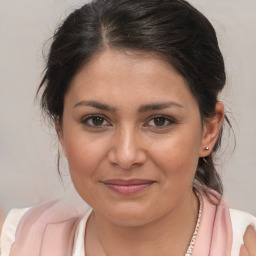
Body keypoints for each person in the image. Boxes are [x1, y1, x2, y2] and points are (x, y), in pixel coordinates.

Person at [1, 0, 256, 255]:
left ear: (208, 130)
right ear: (61, 131)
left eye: (159, 121)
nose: (125, 156)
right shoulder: (15, 243)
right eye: (96, 120)